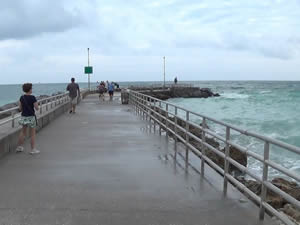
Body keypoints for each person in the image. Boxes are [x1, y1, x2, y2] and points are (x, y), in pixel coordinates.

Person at [16, 83, 40, 154]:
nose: (32, 89)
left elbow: (20, 108)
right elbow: (37, 108)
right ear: (29, 89)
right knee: (32, 134)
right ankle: (33, 149)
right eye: (31, 88)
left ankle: (19, 147)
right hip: (31, 117)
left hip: (24, 116)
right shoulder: (32, 97)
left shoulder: (22, 97)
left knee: (23, 132)